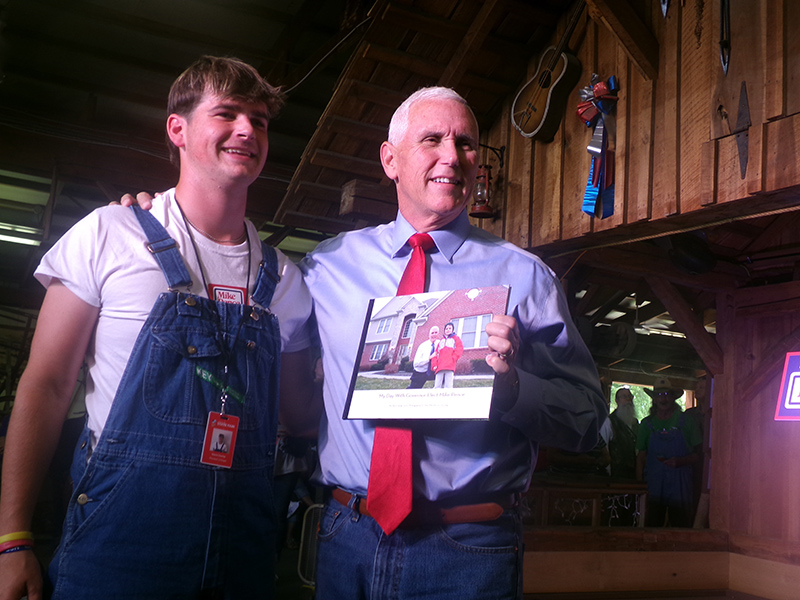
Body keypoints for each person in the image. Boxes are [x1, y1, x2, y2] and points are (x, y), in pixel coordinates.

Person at [0, 56, 319, 600]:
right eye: (228, 113)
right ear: (178, 128)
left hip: (243, 543)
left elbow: (301, 415)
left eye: (260, 120)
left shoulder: (284, 277)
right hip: (121, 540)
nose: (248, 129)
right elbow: (47, 385)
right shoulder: (109, 233)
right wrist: (13, 539)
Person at [301, 86, 608, 599]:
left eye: (466, 143)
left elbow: (588, 420)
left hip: (469, 547)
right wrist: (161, 213)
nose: (453, 156)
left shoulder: (525, 278)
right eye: (432, 139)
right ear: (390, 160)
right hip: (347, 535)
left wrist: (511, 390)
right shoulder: (327, 267)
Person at [636, 377, 702, 527]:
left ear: (673, 398)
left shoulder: (687, 421)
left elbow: (699, 455)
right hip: (653, 485)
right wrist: (639, 487)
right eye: (659, 395)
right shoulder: (646, 424)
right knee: (652, 527)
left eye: (667, 394)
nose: (663, 398)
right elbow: (641, 457)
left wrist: (681, 461)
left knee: (681, 527)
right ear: (654, 399)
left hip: (680, 485)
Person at [609, 386, 639, 479]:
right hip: (617, 473)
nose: (628, 400)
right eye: (624, 397)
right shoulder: (610, 421)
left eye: (630, 397)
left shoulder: (635, 423)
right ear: (617, 401)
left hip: (634, 472)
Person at [432, 321, 463, 388]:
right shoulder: (441, 341)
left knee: (448, 386)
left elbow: (459, 349)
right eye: (446, 328)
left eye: (449, 328)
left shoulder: (456, 339)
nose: (448, 330)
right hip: (439, 367)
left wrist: (453, 358)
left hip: (450, 366)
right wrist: (434, 364)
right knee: (437, 385)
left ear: (452, 330)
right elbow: (435, 354)